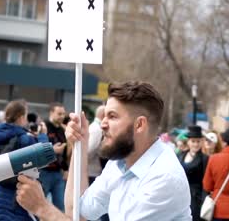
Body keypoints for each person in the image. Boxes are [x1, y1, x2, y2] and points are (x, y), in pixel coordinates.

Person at [16, 81, 192, 220]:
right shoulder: (120, 163)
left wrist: (42, 208)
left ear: (139, 125)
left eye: (112, 116)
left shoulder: (164, 178)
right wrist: (80, 145)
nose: (103, 124)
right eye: (104, 116)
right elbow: (78, 213)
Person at [0, 100, 48, 221]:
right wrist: (43, 135)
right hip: (18, 195)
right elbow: (44, 154)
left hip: (0, 191)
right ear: (21, 117)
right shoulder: (24, 138)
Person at [40, 102, 68, 212]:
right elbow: (37, 146)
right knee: (40, 206)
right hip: (43, 172)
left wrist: (66, 169)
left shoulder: (63, 130)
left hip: (58, 173)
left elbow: (64, 151)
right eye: (59, 113)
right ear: (51, 112)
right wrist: (53, 150)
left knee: (60, 206)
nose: (62, 116)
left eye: (63, 114)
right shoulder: (43, 127)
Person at [178, 125, 208, 221]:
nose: (196, 144)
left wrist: (203, 200)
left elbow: (206, 181)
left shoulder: (204, 158)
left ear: (201, 142)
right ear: (188, 142)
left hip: (195, 197)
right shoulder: (180, 155)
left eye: (198, 141)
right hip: (179, 194)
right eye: (193, 141)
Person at [88, 105, 105, 185]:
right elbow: (90, 150)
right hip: (92, 172)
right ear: (103, 115)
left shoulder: (94, 127)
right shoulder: (97, 129)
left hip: (92, 171)